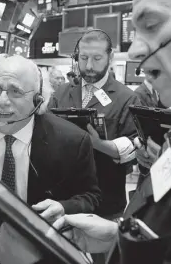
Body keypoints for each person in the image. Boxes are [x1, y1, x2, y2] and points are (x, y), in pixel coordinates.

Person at [52, 0, 171, 263]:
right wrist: (115, 236)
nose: (134, 50)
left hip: (106, 194)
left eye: (152, 24)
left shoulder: (126, 96)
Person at [0, 55, 101, 264]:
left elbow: (91, 196)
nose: (2, 101)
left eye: (15, 91)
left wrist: (64, 207)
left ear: (38, 99)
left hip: (48, 254)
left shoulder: (72, 141)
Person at [54, 30, 141, 219]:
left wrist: (98, 144)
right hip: (62, 201)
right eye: (83, 58)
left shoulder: (127, 98)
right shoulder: (61, 93)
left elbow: (134, 144)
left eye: (97, 58)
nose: (89, 66)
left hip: (105, 203)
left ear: (110, 57)